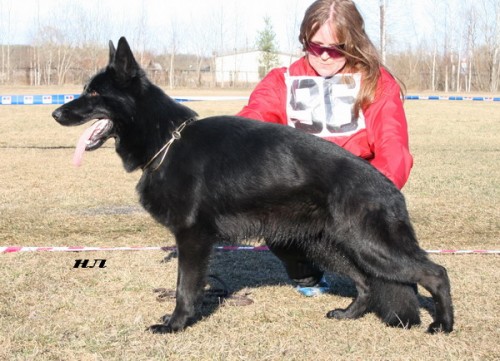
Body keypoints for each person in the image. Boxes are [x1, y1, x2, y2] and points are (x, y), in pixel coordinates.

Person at [237, 0, 413, 296]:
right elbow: (251, 124)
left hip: (356, 191)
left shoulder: (377, 84)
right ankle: (306, 274)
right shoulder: (281, 81)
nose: (325, 56)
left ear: (354, 41)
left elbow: (393, 147)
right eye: (315, 45)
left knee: (387, 286)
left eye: (336, 47)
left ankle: (366, 269)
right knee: (276, 221)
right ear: (303, 39)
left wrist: (369, 201)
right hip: (302, 194)